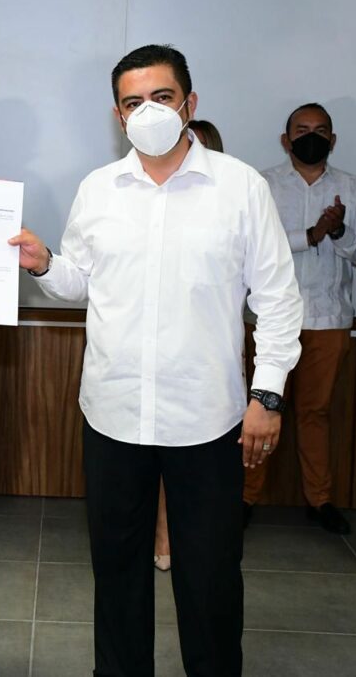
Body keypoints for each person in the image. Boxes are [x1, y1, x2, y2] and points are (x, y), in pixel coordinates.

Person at [11, 45, 302, 676]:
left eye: (161, 97)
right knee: (116, 571)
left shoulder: (240, 188)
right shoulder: (98, 189)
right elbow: (81, 281)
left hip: (208, 418)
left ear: (189, 104)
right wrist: (44, 264)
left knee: (211, 576)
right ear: (118, 116)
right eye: (133, 102)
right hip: (113, 414)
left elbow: (279, 300)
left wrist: (268, 394)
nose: (147, 112)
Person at [242, 103, 356, 534]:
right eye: (302, 130)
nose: (311, 137)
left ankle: (320, 500)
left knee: (315, 414)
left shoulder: (352, 189)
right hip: (268, 320)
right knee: (258, 410)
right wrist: (311, 235)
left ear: (332, 141)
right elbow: (252, 249)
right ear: (286, 140)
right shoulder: (262, 184)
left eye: (320, 130)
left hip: (328, 319)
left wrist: (338, 231)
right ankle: (244, 498)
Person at [153, 117, 224, 573]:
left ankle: (183, 537)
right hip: (147, 358)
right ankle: (161, 532)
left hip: (206, 364)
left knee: (198, 465)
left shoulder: (234, 197)